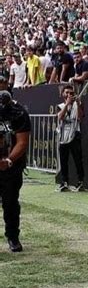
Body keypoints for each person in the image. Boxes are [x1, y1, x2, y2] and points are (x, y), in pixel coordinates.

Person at [0, 89, 30, 252]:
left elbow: (23, 141)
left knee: (10, 202)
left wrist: (9, 160)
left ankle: (13, 237)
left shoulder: (19, 113)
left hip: (11, 165)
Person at [57, 85, 85, 192]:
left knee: (78, 160)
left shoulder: (78, 104)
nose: (69, 95)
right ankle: (64, 182)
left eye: (71, 93)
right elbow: (60, 117)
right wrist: (67, 104)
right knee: (63, 161)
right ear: (63, 94)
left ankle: (80, 182)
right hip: (63, 136)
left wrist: (77, 104)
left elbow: (80, 118)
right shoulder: (60, 106)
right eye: (67, 92)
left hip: (75, 134)